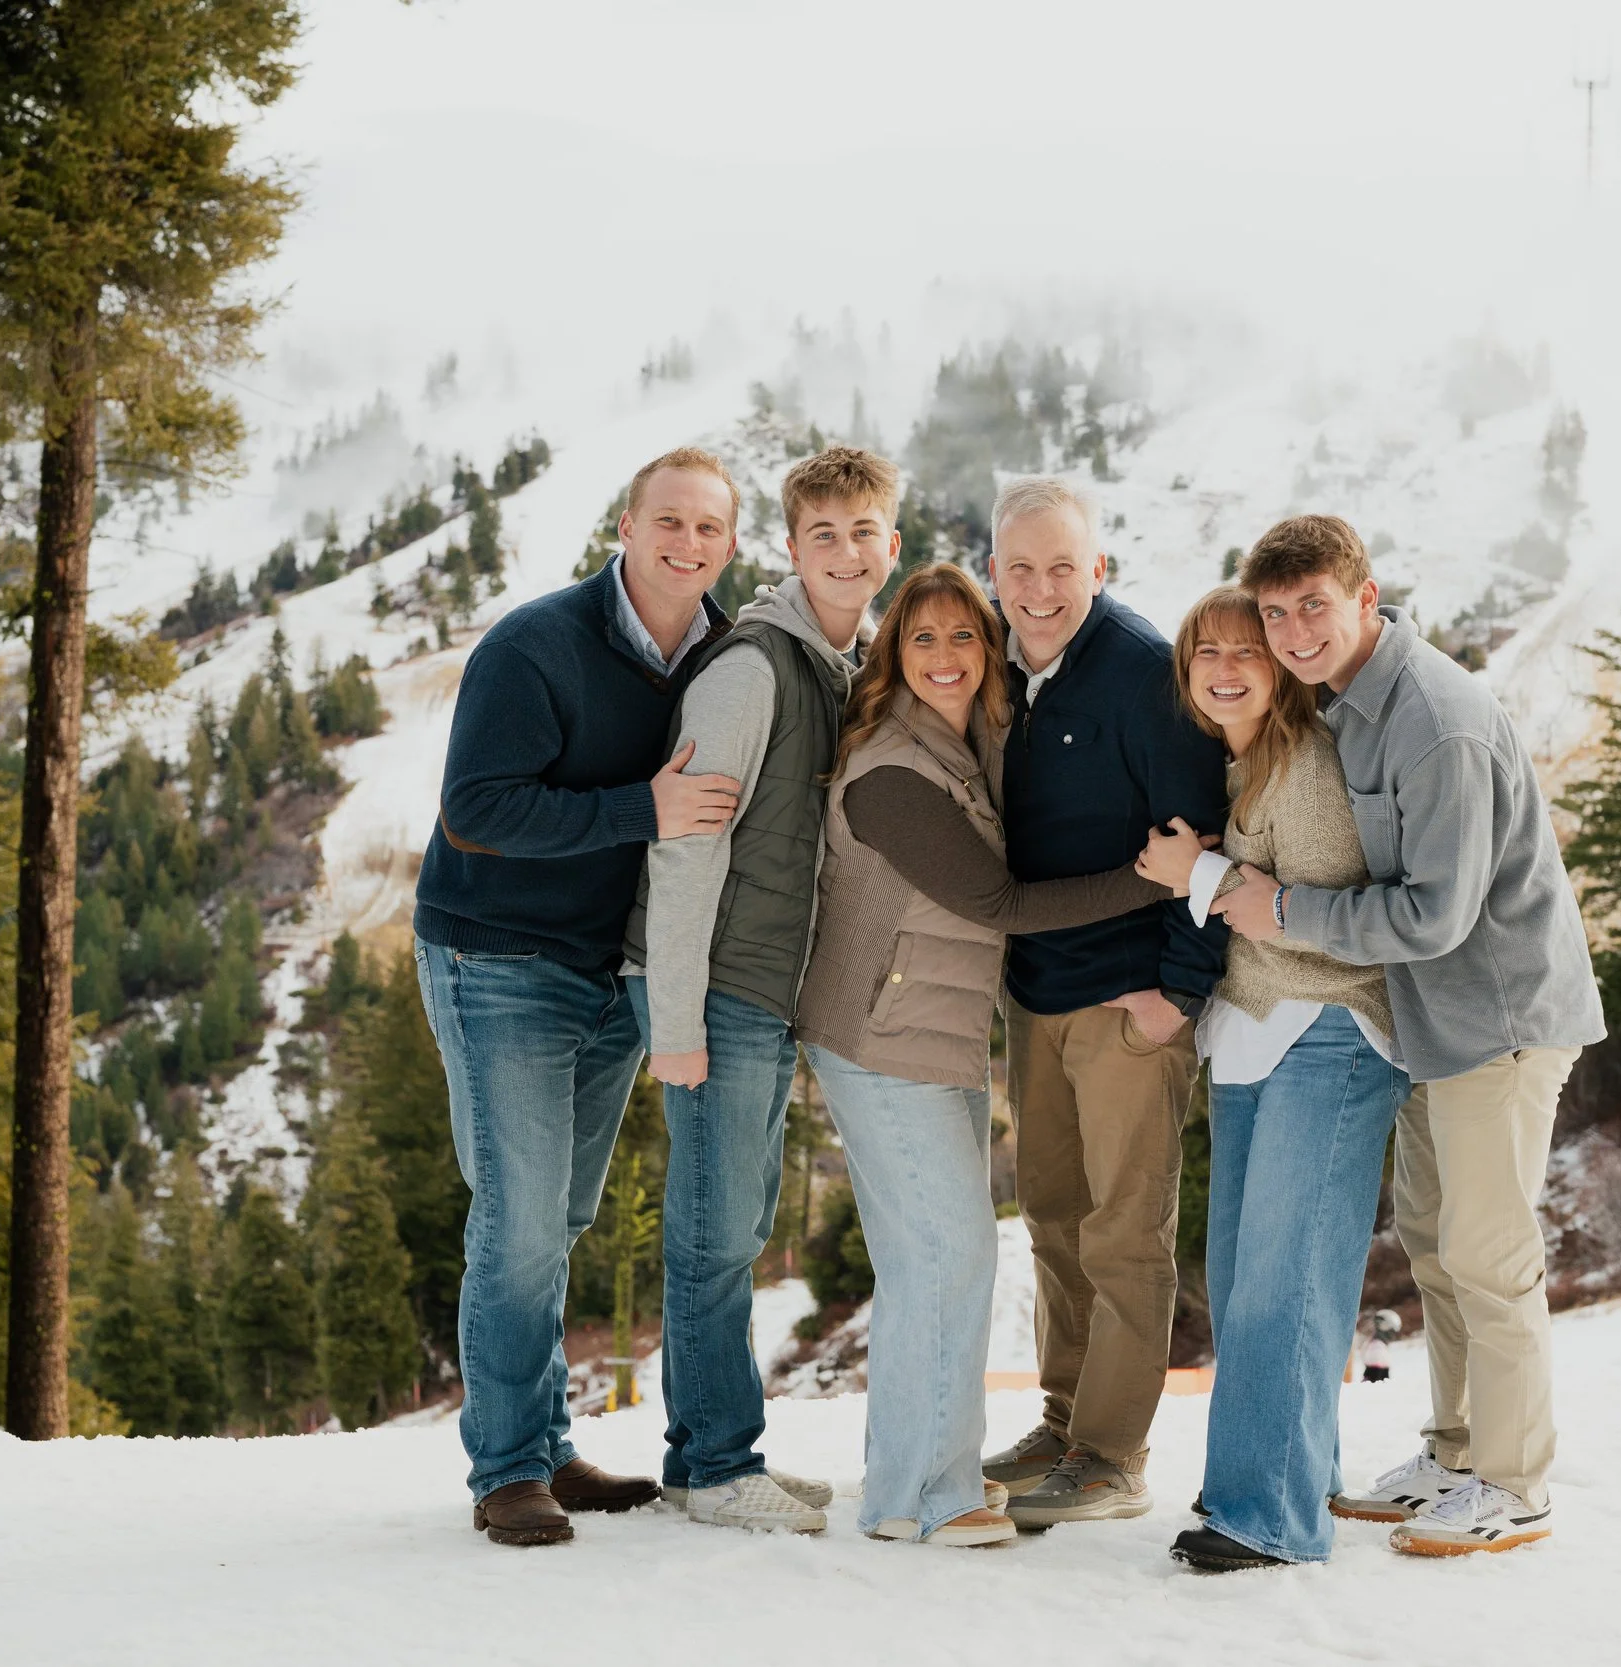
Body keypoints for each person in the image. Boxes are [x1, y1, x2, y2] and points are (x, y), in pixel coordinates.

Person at [1210, 515, 1606, 1559]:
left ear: (1365, 599)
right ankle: (1456, 1449)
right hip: (1432, 1020)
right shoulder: (1347, 700)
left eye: (1315, 607)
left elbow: (1434, 913)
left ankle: (1514, 1483)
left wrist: (1282, 911)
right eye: (1276, 612)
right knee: (1436, 1246)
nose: (1293, 633)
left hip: (1501, 1018)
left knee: (1487, 1250)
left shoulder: (1434, 718)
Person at [795, 562, 1169, 1548]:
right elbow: (996, 903)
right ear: (894, 654)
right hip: (880, 1043)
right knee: (954, 1258)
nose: (947, 655)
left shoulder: (964, 749)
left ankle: (897, 1490)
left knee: (923, 1266)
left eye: (965, 635)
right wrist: (1157, 879)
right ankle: (935, 1491)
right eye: (922, 637)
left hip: (933, 1040)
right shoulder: (892, 772)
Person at [411, 445, 746, 1547]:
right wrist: (639, 810)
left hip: (609, 969)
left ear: (729, 544)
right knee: (515, 1221)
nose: (687, 542)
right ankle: (505, 1468)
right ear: (626, 522)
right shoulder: (536, 643)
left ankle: (547, 1445)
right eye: (669, 520)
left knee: (556, 1215)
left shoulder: (721, 651)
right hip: (497, 957)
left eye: (709, 527)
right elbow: (478, 809)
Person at [622, 446, 900, 1534]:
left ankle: (705, 1459)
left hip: (762, 989)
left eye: (862, 532)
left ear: (891, 546)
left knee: (725, 1220)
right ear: (790, 549)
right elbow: (684, 851)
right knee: (713, 1230)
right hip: (715, 987)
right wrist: (679, 1023)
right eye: (820, 534)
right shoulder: (752, 669)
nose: (843, 552)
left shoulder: (846, 666)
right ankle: (719, 1462)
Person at [1133, 586, 1411, 1572]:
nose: (1225, 667)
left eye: (1247, 649)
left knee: (1284, 1281)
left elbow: (1327, 907)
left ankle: (1268, 1516)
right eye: (1204, 651)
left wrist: (1195, 876)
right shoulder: (1236, 763)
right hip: (1251, 1036)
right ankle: (1277, 1475)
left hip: (1327, 1034)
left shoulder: (1308, 761)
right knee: (1246, 1278)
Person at [977, 477, 1230, 1527]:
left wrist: (1178, 988)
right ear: (995, 571)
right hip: (1035, 994)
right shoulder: (996, 669)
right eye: (1020, 568)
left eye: (1061, 568)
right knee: (1050, 1213)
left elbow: (1204, 833)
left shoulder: (1142, 674)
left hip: (1130, 1000)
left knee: (1126, 1228)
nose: (1040, 589)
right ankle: (1064, 1414)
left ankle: (1113, 1452)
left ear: (1099, 568)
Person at [1360, 1312, 1400, 1383]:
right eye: (1392, 1331)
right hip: (1375, 1387)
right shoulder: (1377, 1346)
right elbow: (1375, 1376)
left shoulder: (1376, 1344)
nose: (1393, 1335)